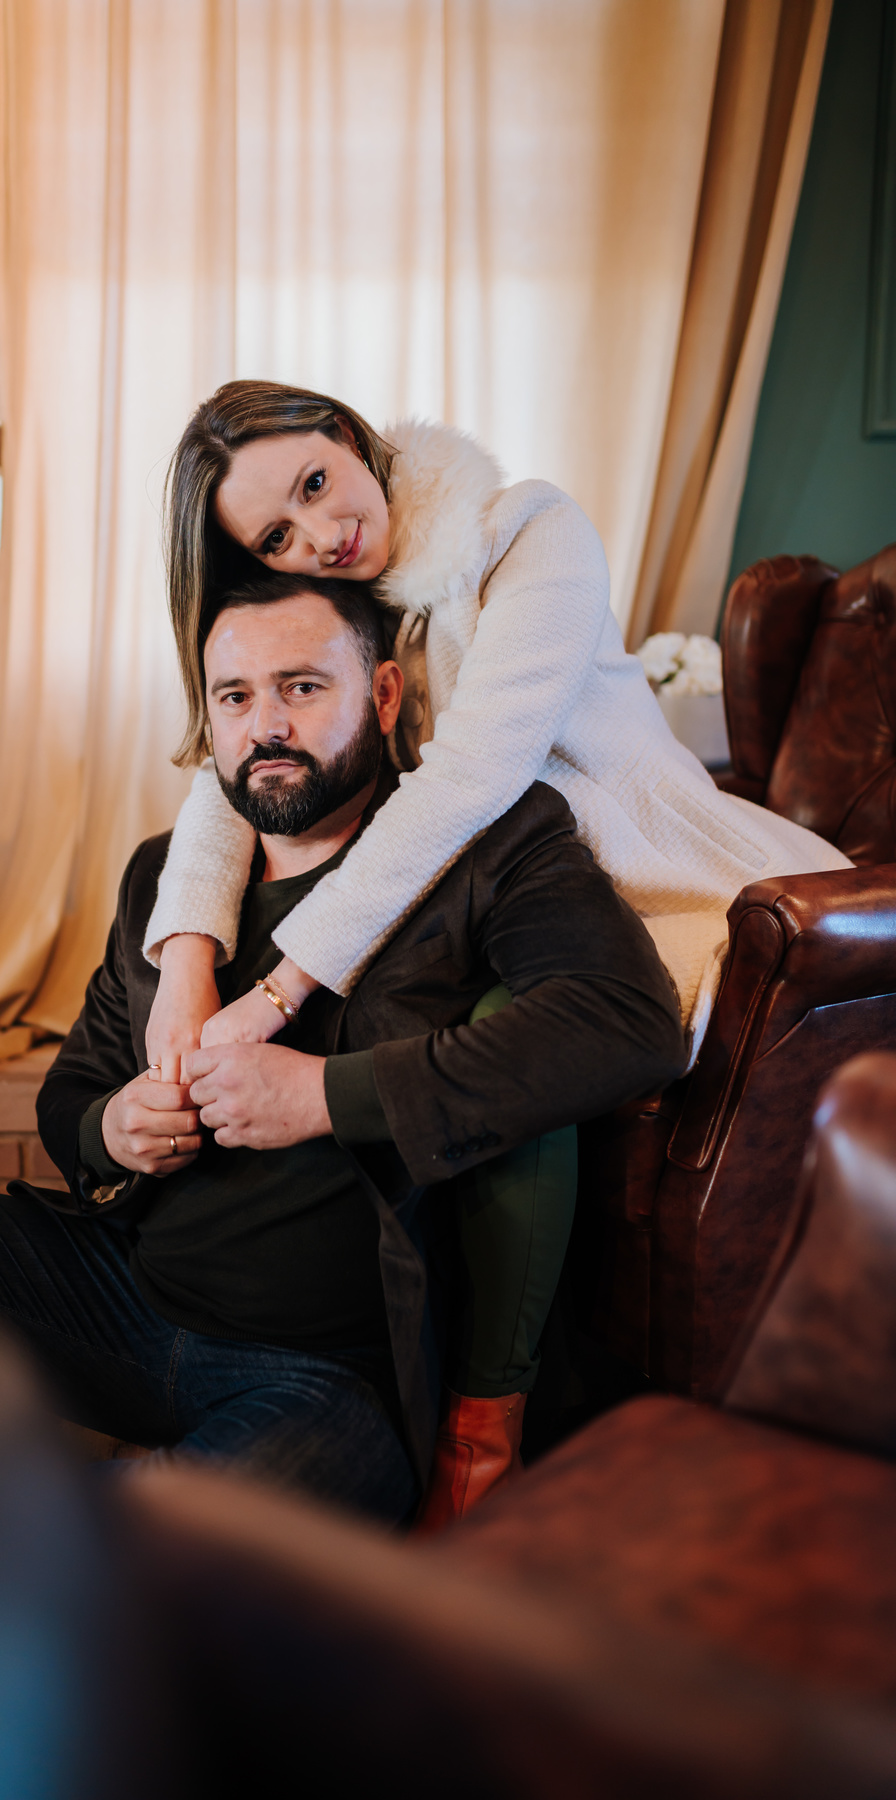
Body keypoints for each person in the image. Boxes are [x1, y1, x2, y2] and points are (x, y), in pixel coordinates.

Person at [0, 573, 685, 1524]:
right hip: (121, 1300)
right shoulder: (165, 879)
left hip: (325, 1373)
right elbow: (74, 1089)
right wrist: (111, 1128)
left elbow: (627, 1020)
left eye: (302, 687)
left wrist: (323, 1097)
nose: (267, 726)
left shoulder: (485, 848)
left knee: (160, 1536)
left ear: (384, 695)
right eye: (235, 696)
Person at [141, 378, 852, 1512]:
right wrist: (184, 960)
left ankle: (484, 1430)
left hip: (658, 887)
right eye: (276, 537)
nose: (321, 534)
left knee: (507, 1031)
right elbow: (233, 763)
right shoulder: (342, 596)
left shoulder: (527, 531)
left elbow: (476, 774)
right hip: (481, 897)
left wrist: (275, 992)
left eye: (317, 483)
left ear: (350, 436)